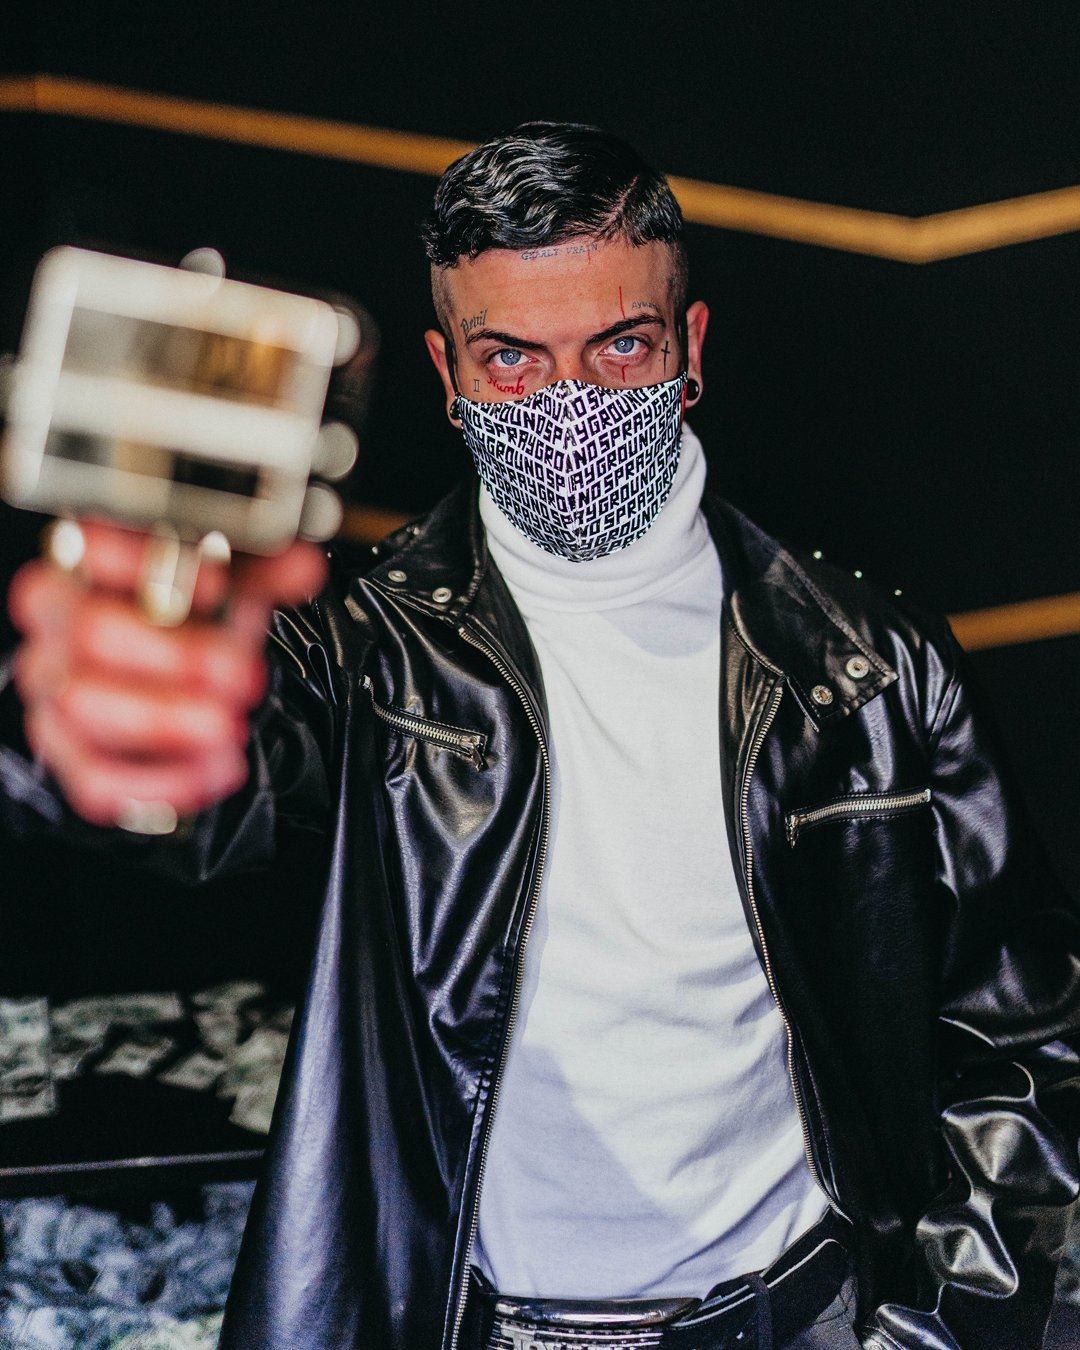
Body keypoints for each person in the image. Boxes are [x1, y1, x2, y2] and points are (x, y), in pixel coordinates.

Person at [3, 122, 1079, 1350]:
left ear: (689, 348)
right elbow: (204, 769)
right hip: (479, 1324)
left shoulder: (868, 666)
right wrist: (93, 718)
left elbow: (1026, 1048)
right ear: (447, 373)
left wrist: (938, 1336)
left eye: (620, 344)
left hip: (802, 1313)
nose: (569, 403)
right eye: (510, 357)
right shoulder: (362, 657)